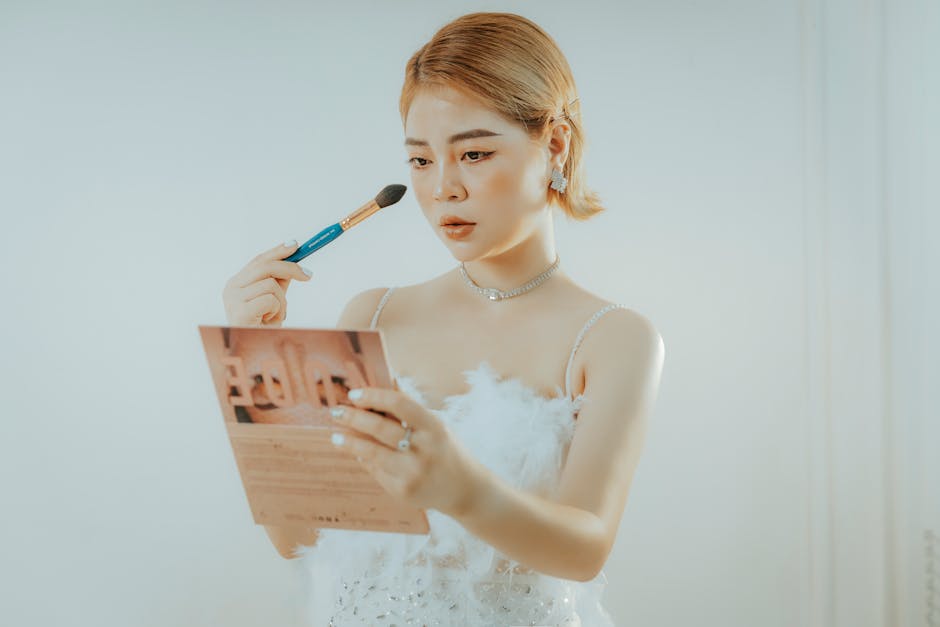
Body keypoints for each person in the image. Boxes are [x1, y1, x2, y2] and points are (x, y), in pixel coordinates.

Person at [222, 11, 664, 626]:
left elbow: (585, 548)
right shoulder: (373, 315)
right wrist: (258, 361)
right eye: (422, 161)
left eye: (474, 153)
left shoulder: (613, 339)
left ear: (555, 144)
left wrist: (462, 490)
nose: (443, 189)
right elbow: (300, 541)